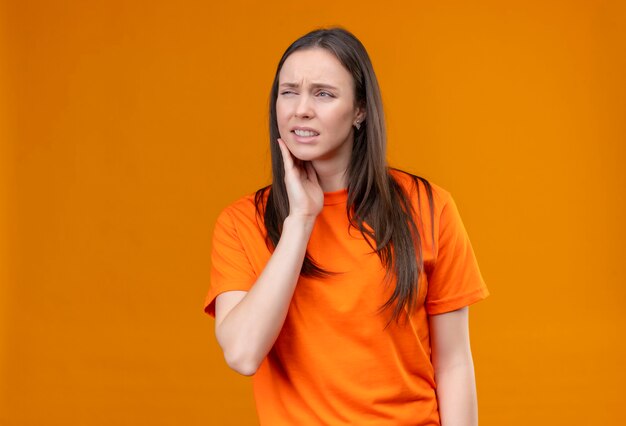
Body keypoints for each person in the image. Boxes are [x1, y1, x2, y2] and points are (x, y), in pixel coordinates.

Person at [203, 27, 490, 426]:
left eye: (323, 93)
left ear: (360, 110)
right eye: (288, 92)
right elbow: (243, 353)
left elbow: (454, 363)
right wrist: (300, 221)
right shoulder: (241, 223)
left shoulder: (428, 206)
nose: (301, 109)